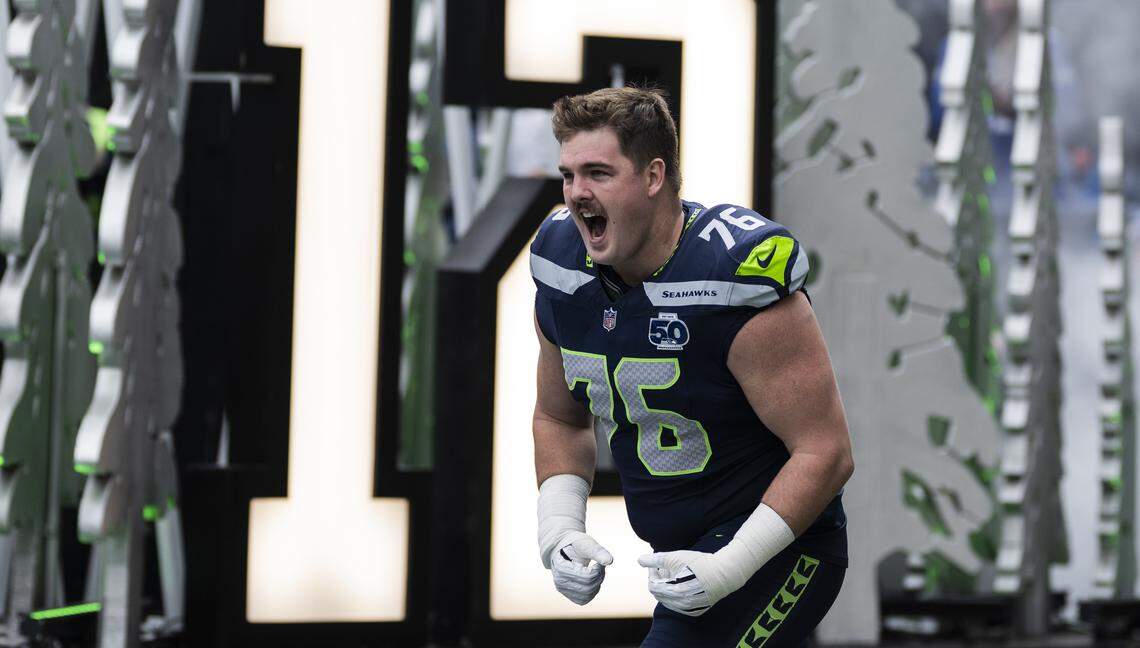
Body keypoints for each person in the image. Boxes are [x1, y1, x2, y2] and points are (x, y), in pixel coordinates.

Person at [530, 86, 853, 647]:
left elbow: (826, 453)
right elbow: (559, 418)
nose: (578, 193)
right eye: (569, 175)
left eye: (599, 173)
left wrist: (730, 565)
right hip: (679, 554)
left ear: (654, 176)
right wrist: (559, 527)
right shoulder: (563, 267)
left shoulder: (731, 277)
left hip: (783, 552)